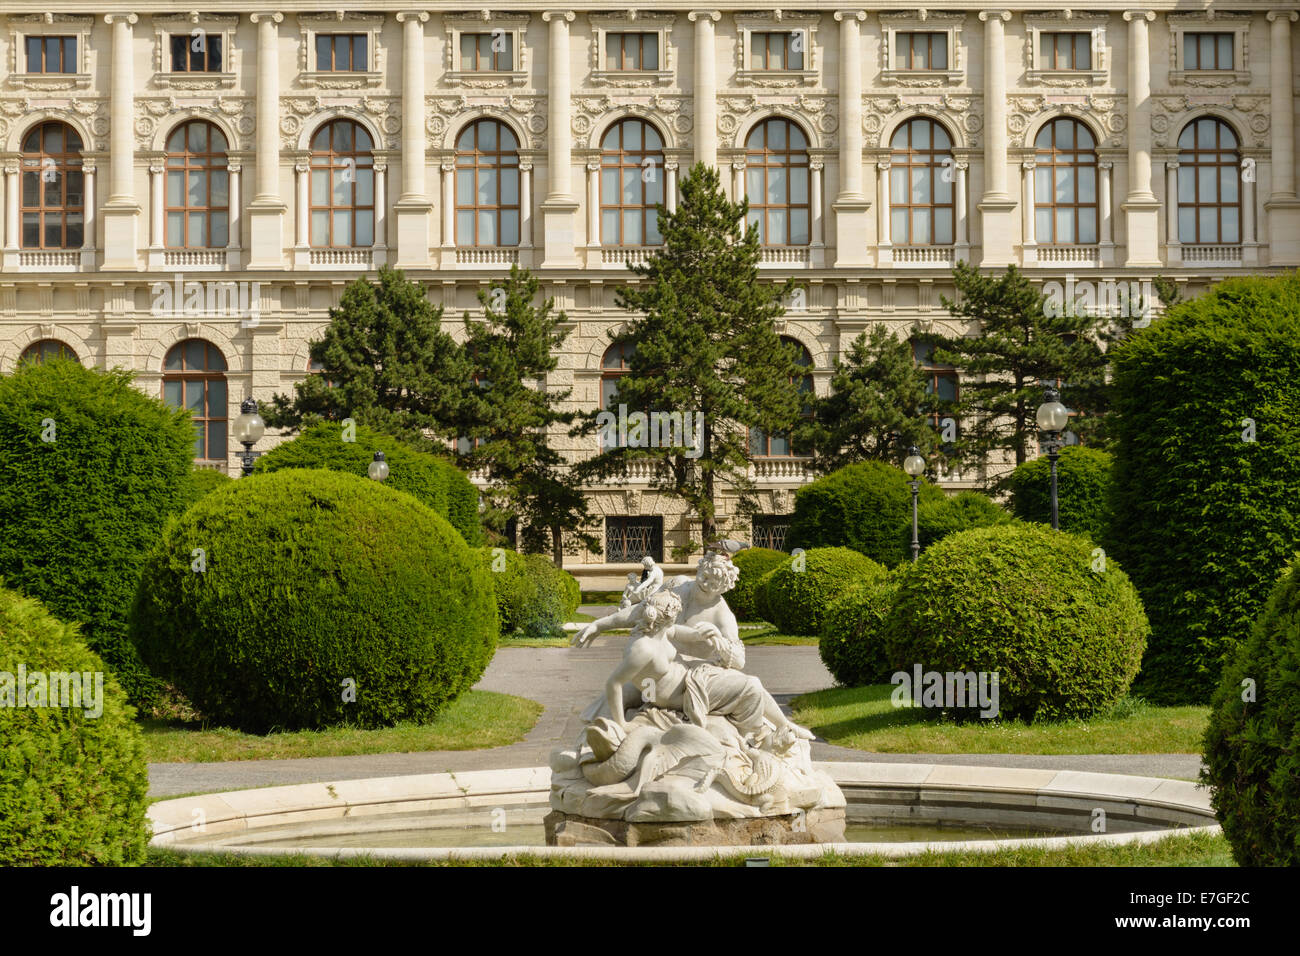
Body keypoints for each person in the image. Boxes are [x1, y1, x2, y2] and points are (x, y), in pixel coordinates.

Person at [601, 591, 812, 749]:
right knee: (751, 685)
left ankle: (784, 724)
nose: (675, 620)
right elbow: (614, 683)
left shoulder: (659, 630)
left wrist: (698, 635)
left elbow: (675, 631)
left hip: (692, 677)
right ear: (663, 618)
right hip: (687, 692)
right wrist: (621, 724)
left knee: (742, 678)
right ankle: (756, 737)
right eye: (674, 616)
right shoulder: (643, 649)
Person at [574, 551, 745, 670]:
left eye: (713, 584)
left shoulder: (722, 615)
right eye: (704, 576)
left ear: (723, 588)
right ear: (699, 569)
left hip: (687, 676)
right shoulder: (679, 585)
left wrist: (719, 641)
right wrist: (599, 625)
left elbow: (739, 661)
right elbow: (640, 610)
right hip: (655, 665)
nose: (705, 584)